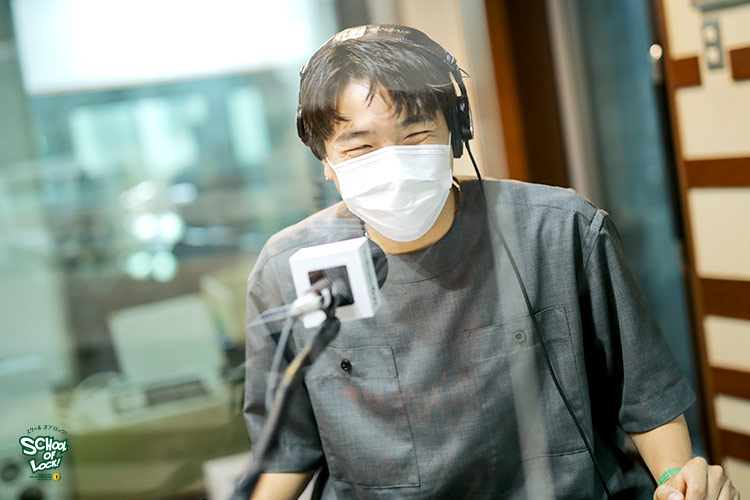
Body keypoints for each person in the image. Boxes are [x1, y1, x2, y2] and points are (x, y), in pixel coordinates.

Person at [243, 24, 740, 500]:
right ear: (326, 161)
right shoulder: (288, 270)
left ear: (457, 133)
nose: (392, 162)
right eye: (361, 146)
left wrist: (677, 481)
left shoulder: (558, 231)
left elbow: (648, 401)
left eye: (415, 135)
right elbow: (288, 452)